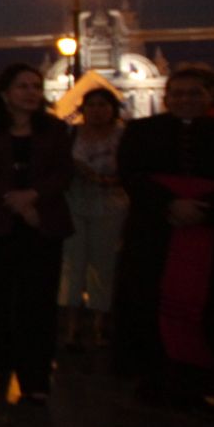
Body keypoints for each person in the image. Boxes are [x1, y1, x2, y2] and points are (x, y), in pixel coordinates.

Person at [113, 70, 214, 406]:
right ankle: (160, 377)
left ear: (209, 96)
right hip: (157, 233)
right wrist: (170, 204)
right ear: (166, 97)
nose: (185, 100)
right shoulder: (142, 131)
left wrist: (205, 208)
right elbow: (131, 176)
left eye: (193, 93)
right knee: (154, 305)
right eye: (178, 93)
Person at [0, 63, 74, 405]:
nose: (31, 92)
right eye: (23, 86)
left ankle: (36, 376)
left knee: (38, 302)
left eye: (35, 86)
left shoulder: (54, 129)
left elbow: (62, 172)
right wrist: (13, 199)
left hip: (41, 224)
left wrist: (33, 197)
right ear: (5, 94)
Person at [58, 87, 126, 350]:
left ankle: (99, 323)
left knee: (104, 264)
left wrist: (104, 179)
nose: (97, 110)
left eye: (103, 105)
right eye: (92, 105)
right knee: (72, 264)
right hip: (75, 202)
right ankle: (70, 324)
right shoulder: (71, 133)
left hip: (111, 205)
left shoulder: (123, 136)